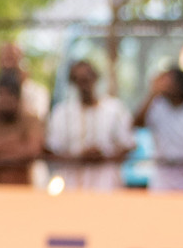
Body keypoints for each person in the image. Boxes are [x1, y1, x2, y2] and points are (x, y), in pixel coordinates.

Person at [44, 60, 134, 191]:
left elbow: (128, 145)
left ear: (95, 78)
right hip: (71, 185)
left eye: (87, 79)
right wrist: (80, 157)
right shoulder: (62, 112)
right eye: (78, 80)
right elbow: (51, 150)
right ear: (73, 83)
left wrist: (104, 156)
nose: (84, 85)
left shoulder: (115, 109)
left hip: (107, 184)